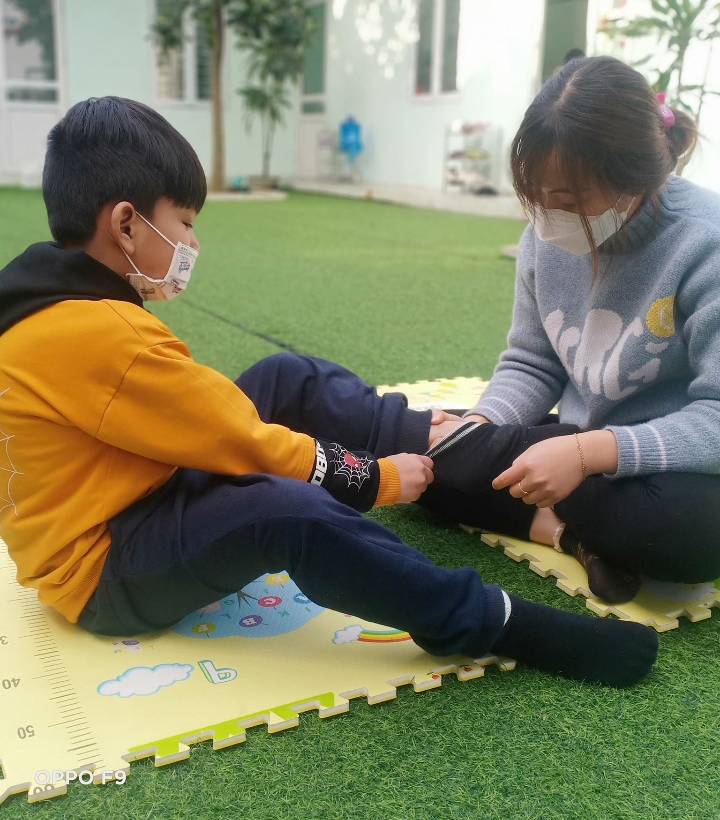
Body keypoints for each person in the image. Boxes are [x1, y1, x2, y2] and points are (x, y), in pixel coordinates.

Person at [0, 96, 657, 689]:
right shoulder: (102, 337)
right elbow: (242, 442)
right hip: (106, 570)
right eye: (184, 222)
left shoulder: (54, 302)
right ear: (125, 224)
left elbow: (204, 416)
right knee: (289, 512)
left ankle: (442, 439)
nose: (192, 243)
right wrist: (376, 479)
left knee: (281, 380)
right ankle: (489, 618)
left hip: (137, 491)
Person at [421, 55, 720, 605]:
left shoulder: (707, 241)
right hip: (573, 445)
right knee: (430, 457)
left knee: (694, 530)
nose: (546, 217)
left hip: (669, 466)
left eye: (569, 202)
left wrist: (585, 454)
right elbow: (531, 362)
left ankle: (549, 500)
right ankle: (567, 535)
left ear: (632, 180)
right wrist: (482, 427)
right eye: (536, 197)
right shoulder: (544, 238)